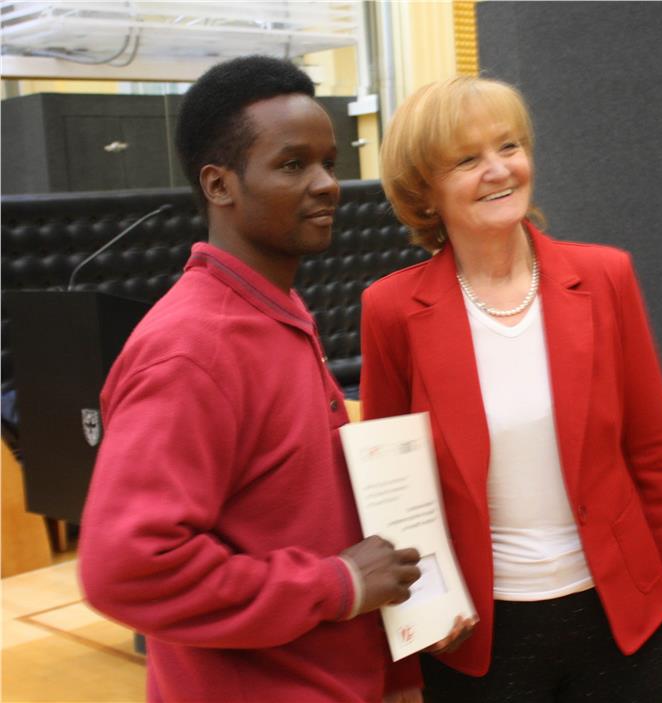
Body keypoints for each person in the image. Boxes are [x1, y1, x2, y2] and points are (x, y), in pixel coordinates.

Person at [359, 76, 662, 703]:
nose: (498, 170)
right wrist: (401, 666)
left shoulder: (605, 277)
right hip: (477, 640)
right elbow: (390, 500)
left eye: (508, 146)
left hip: (621, 626)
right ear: (425, 191)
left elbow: (657, 462)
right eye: (467, 159)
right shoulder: (392, 309)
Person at [79, 55, 423, 703]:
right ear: (219, 185)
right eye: (293, 165)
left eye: (329, 162)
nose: (328, 184)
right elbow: (125, 567)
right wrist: (336, 584)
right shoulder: (191, 349)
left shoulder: (275, 310)